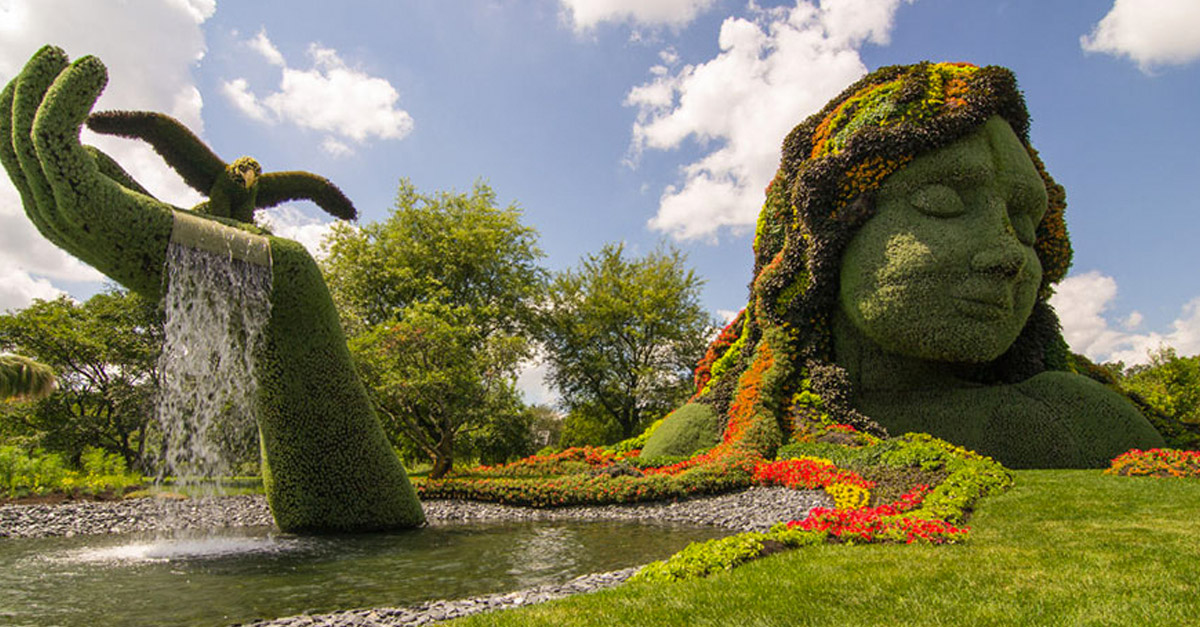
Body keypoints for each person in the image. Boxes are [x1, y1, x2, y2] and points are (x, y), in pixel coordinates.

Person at [680, 62, 1163, 468]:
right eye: (942, 201)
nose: (1010, 255)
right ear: (824, 242)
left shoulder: (1081, 419)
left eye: (1027, 225)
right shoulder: (716, 432)